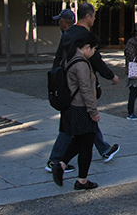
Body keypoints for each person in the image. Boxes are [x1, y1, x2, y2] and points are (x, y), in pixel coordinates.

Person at [45, 5, 120, 174]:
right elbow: (96, 60)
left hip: (65, 82)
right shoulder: (83, 37)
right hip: (76, 87)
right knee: (74, 124)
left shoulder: (68, 33)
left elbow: (59, 57)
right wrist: (110, 76)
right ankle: (56, 160)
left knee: (82, 124)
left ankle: (104, 149)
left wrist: (55, 78)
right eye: (93, 17)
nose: (94, 20)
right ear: (88, 16)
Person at [51, 31, 101, 190]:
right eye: (93, 49)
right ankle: (82, 180)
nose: (93, 53)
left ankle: (61, 165)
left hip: (71, 107)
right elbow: (85, 89)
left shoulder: (68, 59)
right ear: (87, 47)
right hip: (81, 108)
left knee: (79, 141)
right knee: (86, 144)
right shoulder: (81, 64)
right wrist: (93, 111)